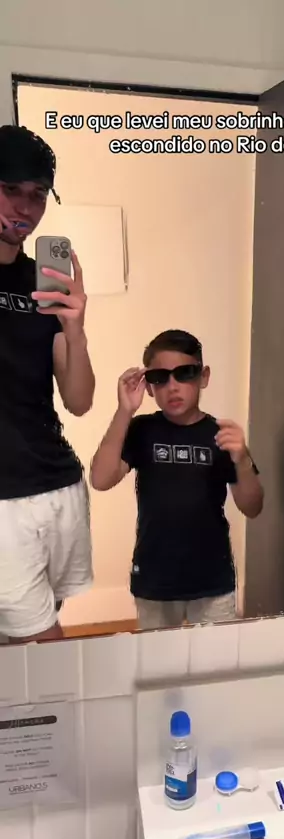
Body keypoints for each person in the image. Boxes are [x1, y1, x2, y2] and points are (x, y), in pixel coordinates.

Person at [90, 329, 263, 629]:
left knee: (215, 656)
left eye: (185, 373)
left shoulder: (221, 435)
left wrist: (243, 460)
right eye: (160, 377)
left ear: (203, 376)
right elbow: (101, 479)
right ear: (148, 386)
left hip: (212, 579)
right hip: (155, 577)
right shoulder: (142, 429)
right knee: (157, 655)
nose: (172, 387)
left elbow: (252, 507)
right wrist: (124, 411)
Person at [0, 125, 95, 643]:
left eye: (37, 194)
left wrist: (74, 329)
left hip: (58, 485)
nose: (25, 207)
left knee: (24, 640)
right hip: (3, 503)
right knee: (43, 646)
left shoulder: (44, 281)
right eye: (9, 189)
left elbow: (79, 401)